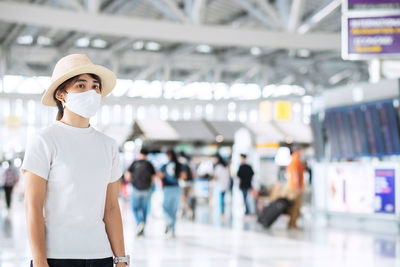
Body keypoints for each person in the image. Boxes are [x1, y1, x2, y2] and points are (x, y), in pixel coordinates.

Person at [21, 54, 130, 267]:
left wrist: (121, 259)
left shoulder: (108, 145)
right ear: (62, 94)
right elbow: (32, 207)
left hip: (101, 256)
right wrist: (41, 262)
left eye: (95, 87)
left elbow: (111, 208)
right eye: (81, 85)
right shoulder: (44, 141)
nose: (91, 92)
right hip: (57, 257)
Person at [125, 148, 156, 237]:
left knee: (135, 208)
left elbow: (127, 176)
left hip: (136, 189)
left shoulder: (135, 163)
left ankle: (139, 222)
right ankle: (143, 226)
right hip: (146, 189)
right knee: (145, 209)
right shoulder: (149, 164)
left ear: (140, 154)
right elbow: (153, 178)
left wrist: (133, 182)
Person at [158, 149, 186, 237]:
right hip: (177, 188)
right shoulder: (180, 165)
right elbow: (183, 176)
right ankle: (173, 231)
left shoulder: (164, 166)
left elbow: (160, 176)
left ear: (168, 156)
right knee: (174, 210)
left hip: (168, 188)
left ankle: (168, 221)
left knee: (165, 208)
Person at [286, 148, 305, 230]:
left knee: (294, 206)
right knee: (295, 206)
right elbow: (296, 175)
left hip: (292, 186)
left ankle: (292, 223)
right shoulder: (296, 161)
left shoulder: (292, 161)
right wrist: (298, 188)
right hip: (295, 188)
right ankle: (293, 224)